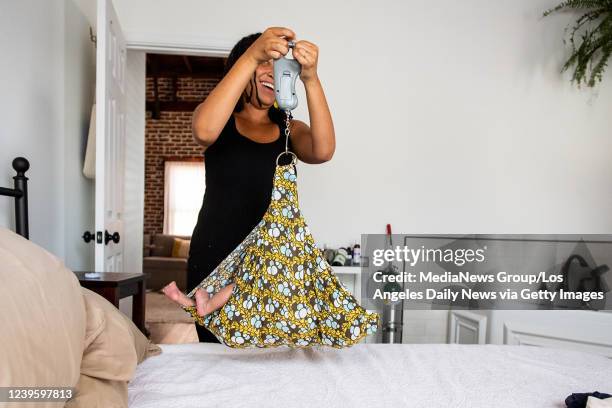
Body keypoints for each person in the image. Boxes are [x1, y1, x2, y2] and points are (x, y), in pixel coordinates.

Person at [170, 27, 336, 343]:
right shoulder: (219, 121)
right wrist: (252, 54)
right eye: (266, 61)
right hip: (215, 258)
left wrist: (311, 78)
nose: (274, 72)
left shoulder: (289, 128)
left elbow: (323, 150)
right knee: (218, 357)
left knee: (268, 357)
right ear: (244, 64)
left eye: (281, 66)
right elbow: (203, 131)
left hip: (269, 266)